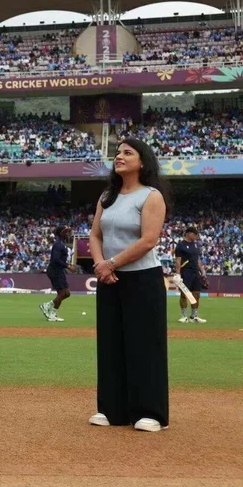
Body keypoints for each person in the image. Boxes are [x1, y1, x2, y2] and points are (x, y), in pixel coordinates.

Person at [88, 138, 169, 432]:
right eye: (117, 152)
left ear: (142, 162)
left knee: (144, 344)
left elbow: (148, 240)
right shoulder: (107, 196)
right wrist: (101, 265)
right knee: (111, 344)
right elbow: (95, 235)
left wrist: (111, 264)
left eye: (127, 152)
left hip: (142, 278)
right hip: (108, 279)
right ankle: (112, 409)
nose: (119, 156)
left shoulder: (151, 196)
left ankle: (150, 412)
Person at [40, 226, 74, 322]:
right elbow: (55, 259)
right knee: (62, 293)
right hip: (55, 270)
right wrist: (67, 266)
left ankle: (48, 307)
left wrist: (67, 264)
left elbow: (59, 259)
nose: (68, 233)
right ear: (61, 233)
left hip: (59, 270)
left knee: (66, 293)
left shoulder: (61, 244)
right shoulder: (58, 244)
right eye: (66, 232)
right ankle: (50, 311)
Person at [175, 227, 207, 323]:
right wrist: (178, 274)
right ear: (189, 233)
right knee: (184, 294)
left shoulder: (196, 245)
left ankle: (194, 316)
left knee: (196, 294)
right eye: (195, 234)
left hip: (195, 272)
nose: (197, 236)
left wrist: (202, 271)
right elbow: (178, 261)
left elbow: (198, 260)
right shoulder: (180, 245)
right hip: (185, 272)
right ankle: (184, 316)